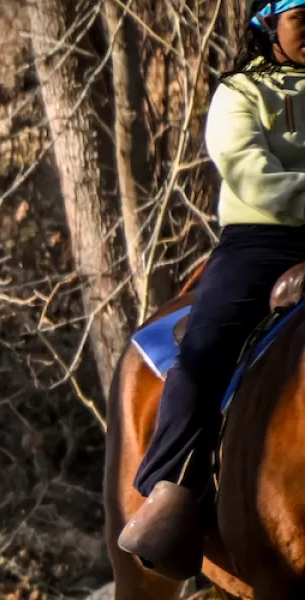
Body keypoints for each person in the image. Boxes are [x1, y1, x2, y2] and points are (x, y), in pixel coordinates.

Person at [119, 0, 305, 580]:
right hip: (263, 242)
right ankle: (170, 489)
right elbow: (249, 169)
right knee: (205, 350)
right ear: (268, 24)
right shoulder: (240, 93)